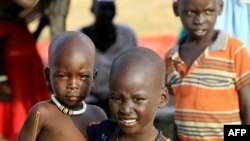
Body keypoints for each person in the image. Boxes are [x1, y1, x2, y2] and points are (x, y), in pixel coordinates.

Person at [165, 0, 250, 141]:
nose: (200, 20)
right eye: (191, 12)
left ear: (220, 7)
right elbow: (180, 111)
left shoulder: (234, 50)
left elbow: (247, 109)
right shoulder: (171, 57)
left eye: (208, 11)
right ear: (176, 9)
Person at [18, 31, 107, 141]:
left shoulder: (98, 115)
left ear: (93, 78)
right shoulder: (41, 113)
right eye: (63, 76)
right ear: (48, 76)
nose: (73, 85)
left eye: (83, 76)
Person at [88, 47, 171, 141]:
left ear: (162, 98)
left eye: (138, 99)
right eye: (117, 98)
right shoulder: (99, 133)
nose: (126, 110)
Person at [0, 1, 50, 140]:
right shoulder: (3, 22)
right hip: (15, 75)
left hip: (30, 72)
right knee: (18, 109)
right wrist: (2, 79)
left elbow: (27, 42)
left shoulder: (20, 22)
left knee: (32, 106)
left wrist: (41, 26)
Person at [78, 0, 137, 117]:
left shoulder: (127, 35)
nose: (107, 13)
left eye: (111, 9)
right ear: (92, 10)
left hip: (122, 98)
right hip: (88, 99)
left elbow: (135, 68)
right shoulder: (79, 38)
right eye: (103, 9)